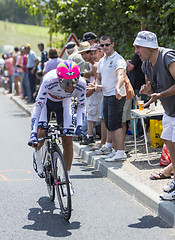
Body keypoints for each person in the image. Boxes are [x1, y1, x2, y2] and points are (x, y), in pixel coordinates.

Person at [28, 60, 86, 193]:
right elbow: (38, 106)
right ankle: (37, 153)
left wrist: (80, 126)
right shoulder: (49, 79)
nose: (71, 86)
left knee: (68, 139)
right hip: (46, 103)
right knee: (41, 132)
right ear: (59, 79)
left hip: (64, 104)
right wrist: (33, 132)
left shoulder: (82, 83)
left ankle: (67, 179)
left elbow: (82, 106)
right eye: (66, 82)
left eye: (73, 82)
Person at [133, 30, 175, 200]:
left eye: (138, 47)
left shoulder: (168, 56)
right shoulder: (145, 65)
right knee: (168, 142)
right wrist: (148, 90)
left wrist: (160, 95)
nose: (136, 51)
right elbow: (153, 86)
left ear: (150, 46)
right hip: (170, 110)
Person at [96, 35, 127, 161]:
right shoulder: (102, 60)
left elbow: (121, 75)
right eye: (102, 45)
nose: (104, 47)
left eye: (107, 45)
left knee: (116, 124)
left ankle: (120, 152)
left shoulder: (118, 59)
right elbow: (98, 77)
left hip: (116, 95)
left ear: (112, 44)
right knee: (109, 124)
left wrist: (118, 88)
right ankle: (115, 151)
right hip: (106, 95)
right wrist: (97, 84)